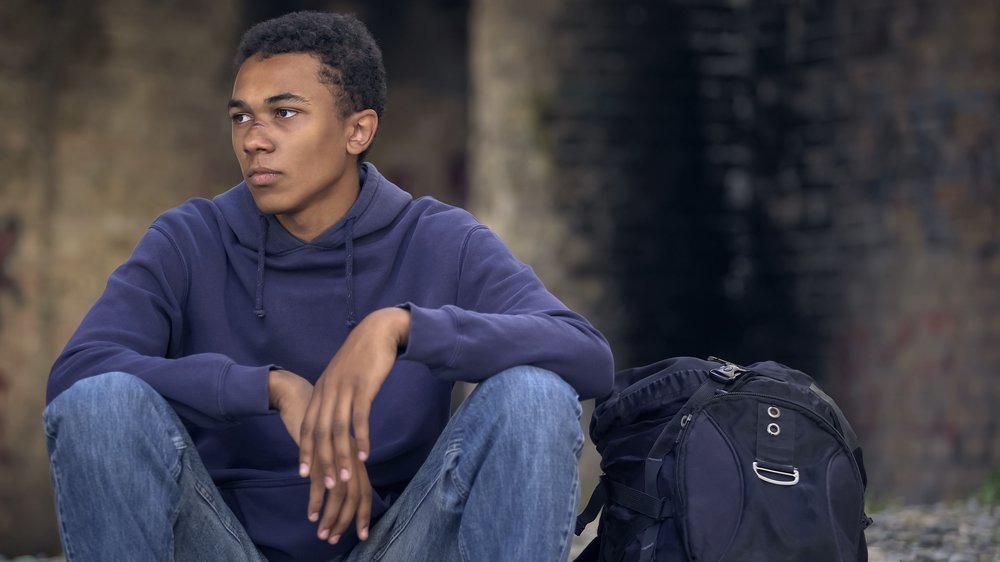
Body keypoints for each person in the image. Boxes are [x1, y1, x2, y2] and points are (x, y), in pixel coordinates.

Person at [43, 10, 613, 562]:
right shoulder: (189, 240)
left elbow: (587, 355)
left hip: (395, 543)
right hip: (221, 545)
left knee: (534, 395)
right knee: (101, 404)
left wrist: (401, 328)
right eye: (241, 117)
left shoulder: (439, 240)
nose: (254, 140)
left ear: (357, 131)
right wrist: (269, 387)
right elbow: (78, 372)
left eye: (284, 113)